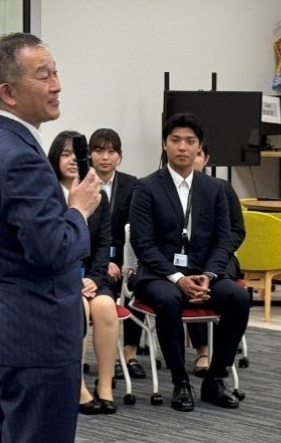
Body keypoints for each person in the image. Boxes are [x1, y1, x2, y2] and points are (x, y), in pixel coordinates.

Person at [0, 32, 102, 443]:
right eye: (43, 76)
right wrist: (78, 210)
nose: (57, 85)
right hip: (36, 338)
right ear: (8, 93)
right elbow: (52, 250)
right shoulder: (21, 157)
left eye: (56, 72)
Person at [128, 112, 250, 412]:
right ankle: (180, 381)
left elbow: (224, 240)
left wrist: (209, 275)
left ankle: (215, 378)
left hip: (203, 273)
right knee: (169, 300)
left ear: (199, 147)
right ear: (164, 145)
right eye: (175, 140)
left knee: (238, 297)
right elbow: (143, 244)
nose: (182, 147)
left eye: (189, 141)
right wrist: (177, 278)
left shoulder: (215, 189)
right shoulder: (146, 188)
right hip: (159, 275)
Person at [48, 131, 118, 415]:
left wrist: (94, 278)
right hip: (59, 280)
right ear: (54, 159)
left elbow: (103, 245)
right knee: (79, 307)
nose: (72, 161)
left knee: (105, 307)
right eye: (65, 155)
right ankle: (76, 386)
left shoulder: (98, 196)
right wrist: (73, 281)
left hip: (92, 277)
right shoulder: (47, 196)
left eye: (76, 155)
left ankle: (105, 385)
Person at [88, 128, 146, 380]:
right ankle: (110, 358)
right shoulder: (82, 184)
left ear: (119, 156)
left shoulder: (132, 184)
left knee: (138, 283)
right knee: (108, 286)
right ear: (90, 154)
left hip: (125, 258)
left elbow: (136, 230)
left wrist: (125, 263)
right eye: (99, 150)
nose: (105, 157)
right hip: (94, 259)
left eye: (111, 151)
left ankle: (130, 354)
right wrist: (104, 263)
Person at [186, 142, 247, 377]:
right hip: (189, 260)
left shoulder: (222, 188)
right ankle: (202, 349)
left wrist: (219, 252)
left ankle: (221, 355)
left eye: (198, 154)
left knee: (228, 292)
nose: (193, 157)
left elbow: (238, 230)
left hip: (222, 258)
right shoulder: (171, 190)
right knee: (194, 282)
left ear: (206, 159)